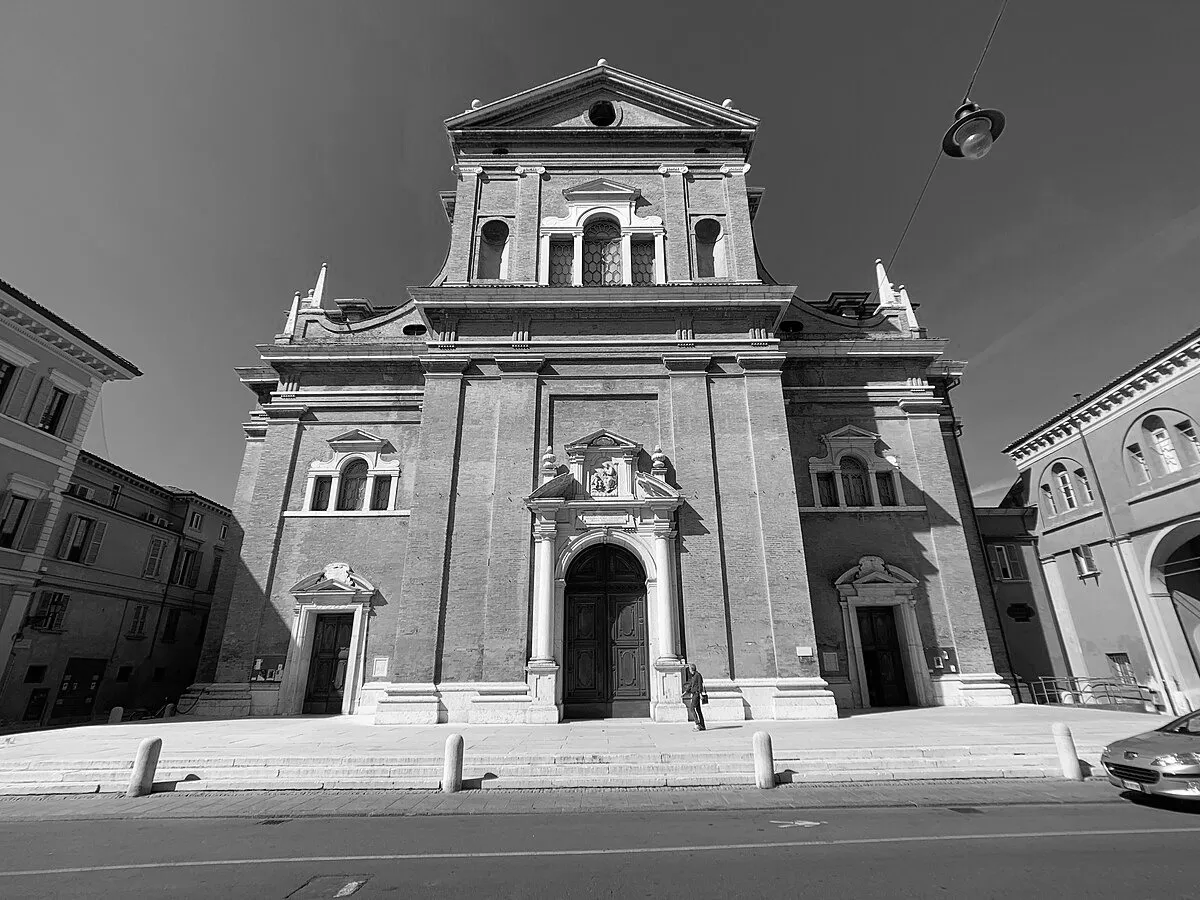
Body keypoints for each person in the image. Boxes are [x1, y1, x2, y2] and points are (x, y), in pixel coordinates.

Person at [683, 662, 706, 732]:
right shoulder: (693, 676)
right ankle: (702, 725)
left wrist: (700, 694)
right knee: (698, 710)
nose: (689, 671)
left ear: (691, 669)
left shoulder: (698, 675)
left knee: (692, 708)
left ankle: (697, 724)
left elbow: (700, 685)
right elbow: (690, 685)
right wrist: (685, 693)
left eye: (689, 669)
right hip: (694, 694)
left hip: (696, 694)